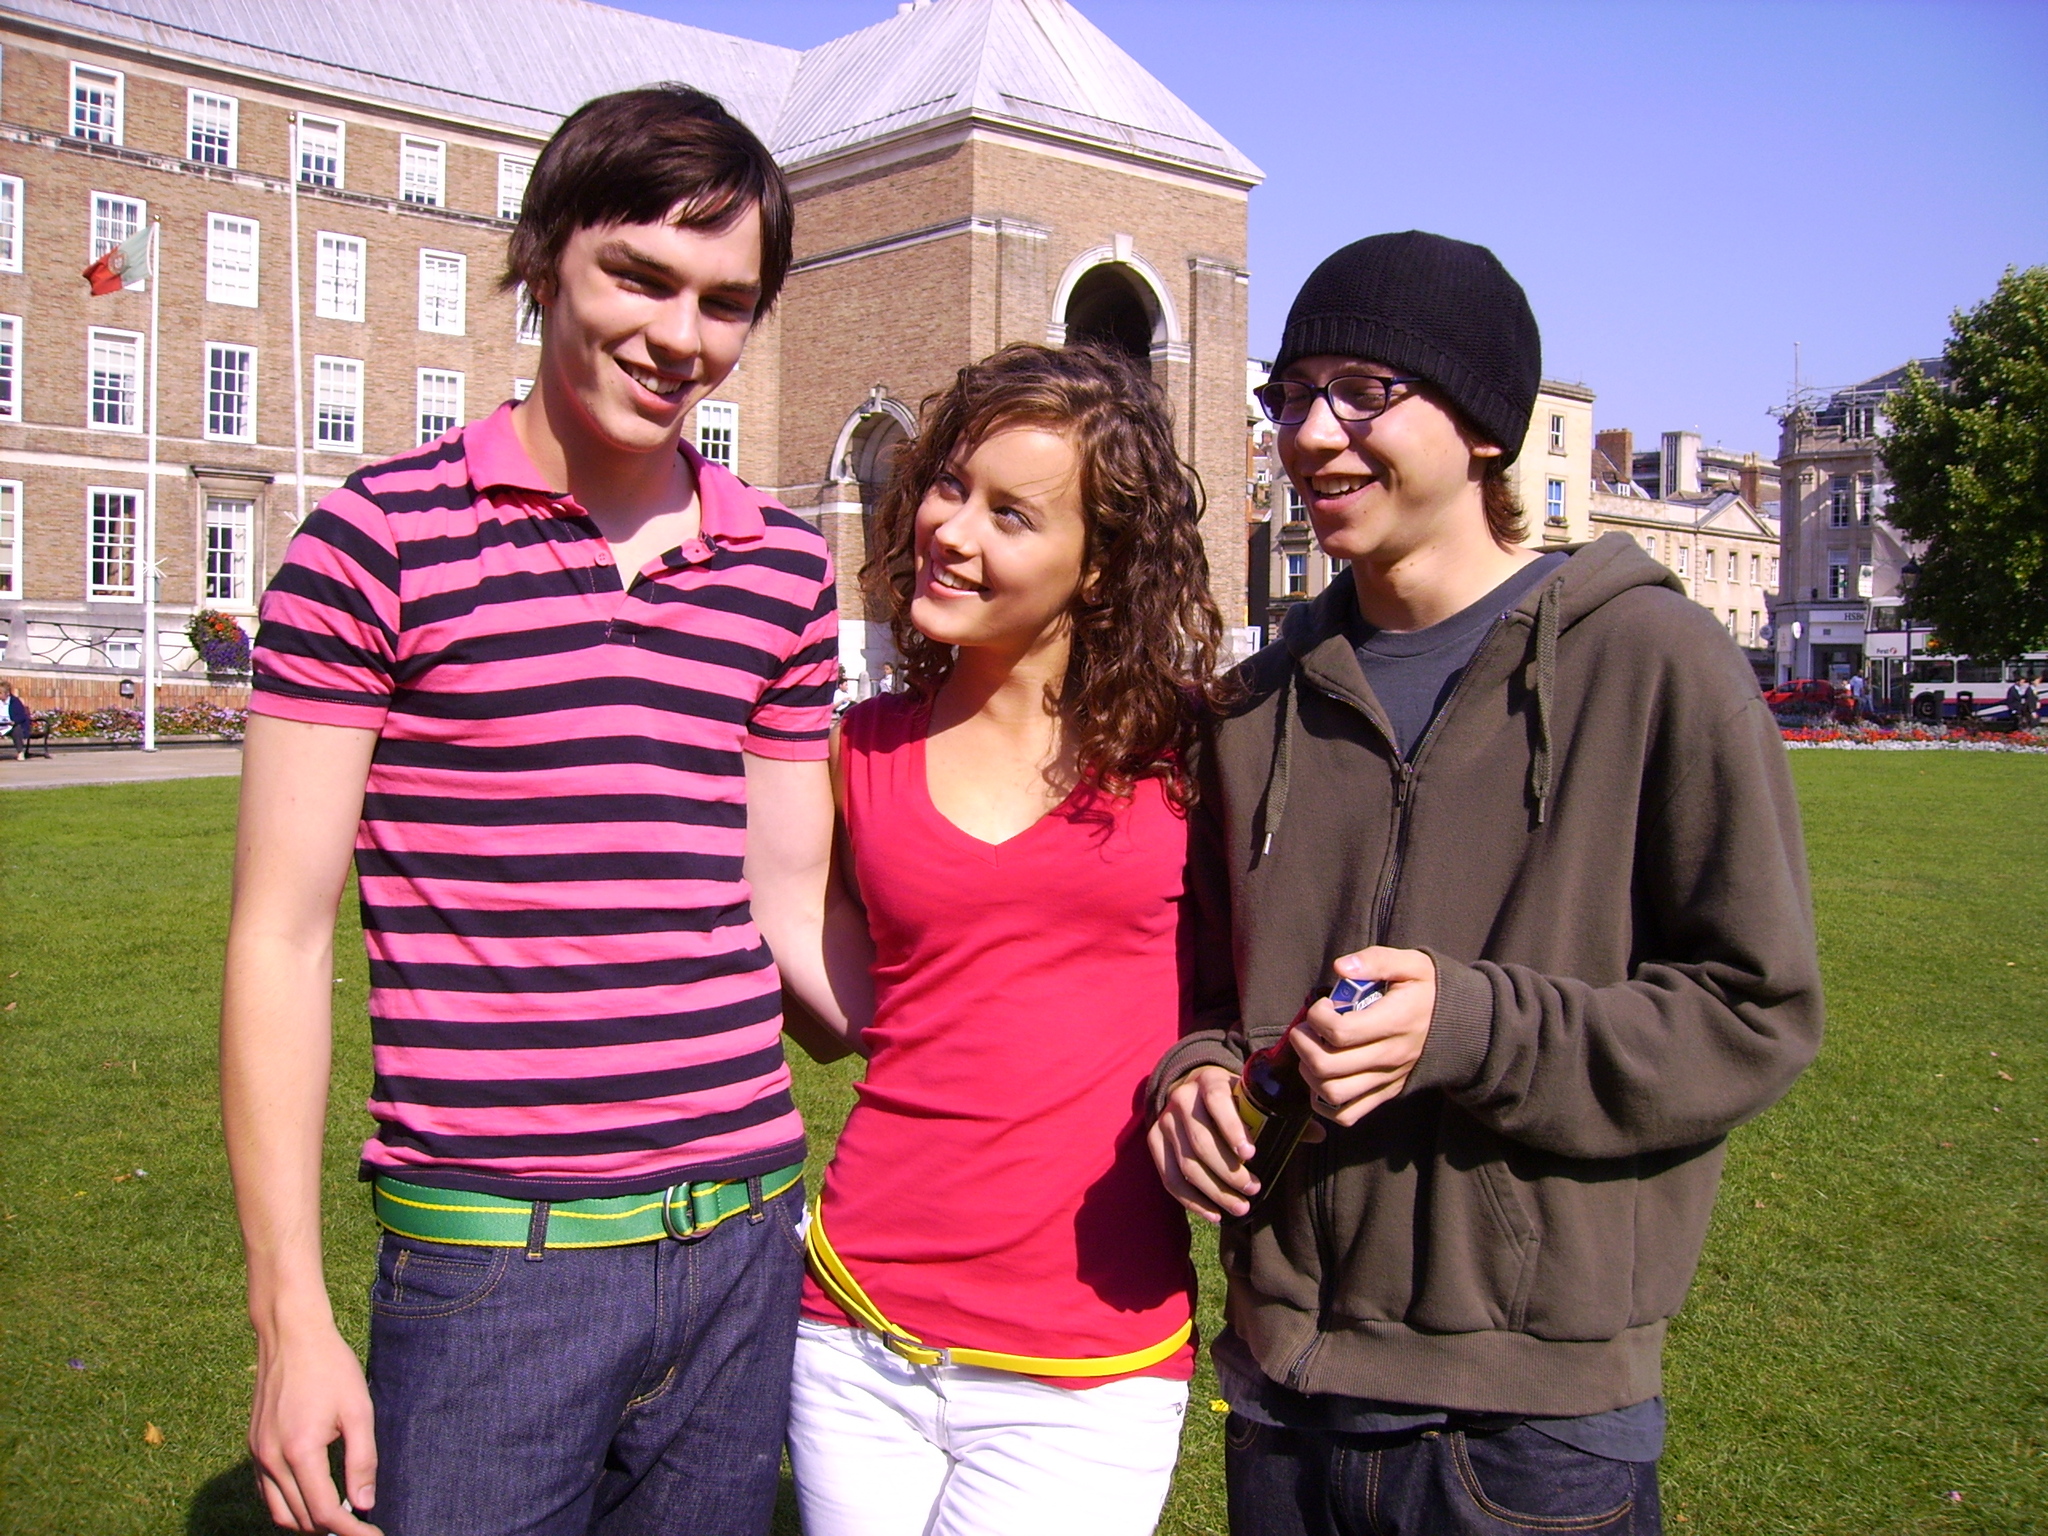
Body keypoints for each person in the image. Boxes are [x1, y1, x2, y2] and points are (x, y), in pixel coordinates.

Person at [221, 86, 848, 1536]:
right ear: (544, 253)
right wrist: (288, 1322)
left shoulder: (784, 574)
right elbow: (280, 937)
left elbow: (792, 912)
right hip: (495, 1264)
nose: (680, 337)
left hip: (745, 1246)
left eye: (725, 301)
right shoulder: (373, 545)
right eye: (640, 276)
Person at [1146, 232, 1824, 1536]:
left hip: (1531, 1431)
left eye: (1360, 389)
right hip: (1284, 1401)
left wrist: (1470, 1026)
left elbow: (1756, 1015)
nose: (1308, 432)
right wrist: (1189, 1083)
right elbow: (1202, 997)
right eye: (1289, 394)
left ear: (1486, 428)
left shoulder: (1655, 666)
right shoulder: (1252, 707)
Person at [785, 343, 1229, 1536]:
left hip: (1086, 1360)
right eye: (948, 485)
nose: (948, 528)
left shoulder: (1193, 753)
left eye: (1010, 514)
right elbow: (834, 1014)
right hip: (852, 1331)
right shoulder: (852, 749)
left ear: (1098, 567)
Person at [3, 680, 31, 759]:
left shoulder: (15, 701)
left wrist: (14, 721)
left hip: (11, 725)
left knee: (16, 729)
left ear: (7, 693)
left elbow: (21, 716)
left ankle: (20, 752)